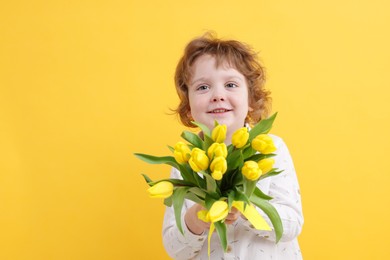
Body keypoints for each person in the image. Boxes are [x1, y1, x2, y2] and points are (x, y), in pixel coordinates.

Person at [162, 33, 303, 259]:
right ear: (188, 106)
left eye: (230, 84)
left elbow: (291, 224)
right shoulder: (186, 159)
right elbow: (174, 248)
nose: (218, 95)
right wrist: (195, 218)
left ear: (251, 100)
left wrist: (246, 209)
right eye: (203, 87)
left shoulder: (270, 149)